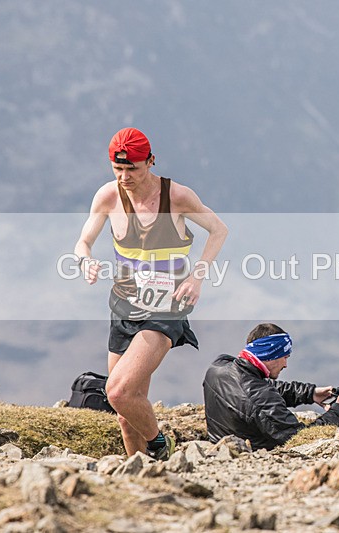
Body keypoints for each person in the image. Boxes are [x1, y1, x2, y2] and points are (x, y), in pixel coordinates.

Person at [74, 127, 228, 459]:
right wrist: (84, 260)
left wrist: (197, 277)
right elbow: (83, 240)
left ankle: (161, 445)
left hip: (165, 309)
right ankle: (141, 477)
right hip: (123, 306)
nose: (125, 177)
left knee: (116, 392)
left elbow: (218, 230)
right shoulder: (107, 196)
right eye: (118, 169)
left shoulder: (177, 196)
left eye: (133, 169)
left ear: (151, 161)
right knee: (126, 412)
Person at [203, 323, 339, 450]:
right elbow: (299, 437)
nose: (286, 364)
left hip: (219, 447)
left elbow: (260, 388)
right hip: (252, 458)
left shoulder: (219, 368)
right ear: (270, 354)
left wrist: (310, 393)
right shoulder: (258, 396)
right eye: (285, 357)